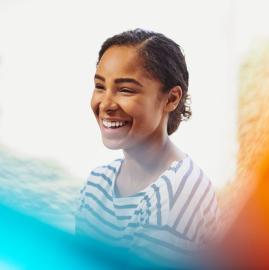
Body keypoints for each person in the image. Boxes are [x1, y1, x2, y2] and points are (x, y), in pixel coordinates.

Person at [75, 28, 219, 264]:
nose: (106, 103)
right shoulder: (97, 183)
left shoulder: (180, 191)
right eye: (100, 86)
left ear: (171, 99)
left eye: (126, 90)